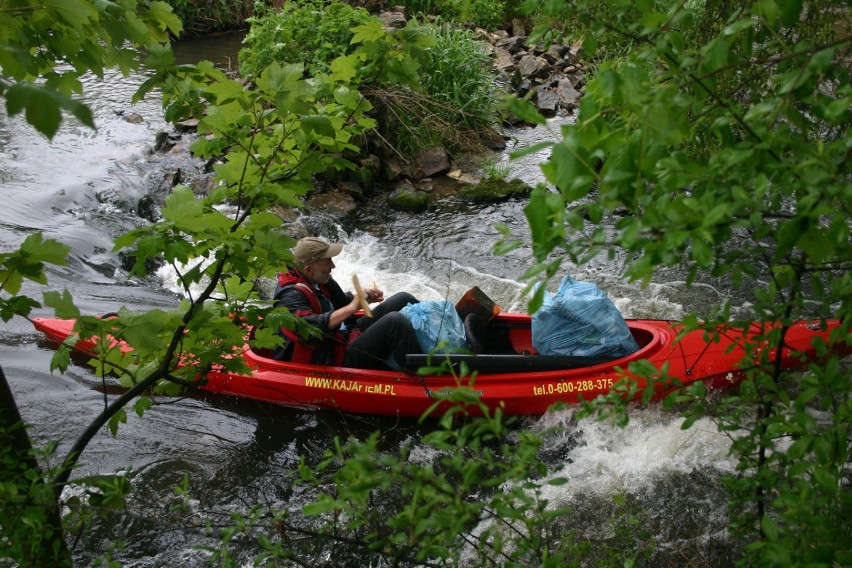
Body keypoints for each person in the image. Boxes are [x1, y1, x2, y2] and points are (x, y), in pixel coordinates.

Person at [272, 237, 422, 370]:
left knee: (403, 299)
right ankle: (422, 375)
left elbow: (340, 301)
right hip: (332, 357)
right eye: (327, 262)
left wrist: (361, 298)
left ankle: (429, 345)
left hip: (346, 334)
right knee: (394, 322)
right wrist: (352, 307)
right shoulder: (290, 297)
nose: (333, 266)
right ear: (309, 269)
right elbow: (309, 329)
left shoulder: (319, 277)